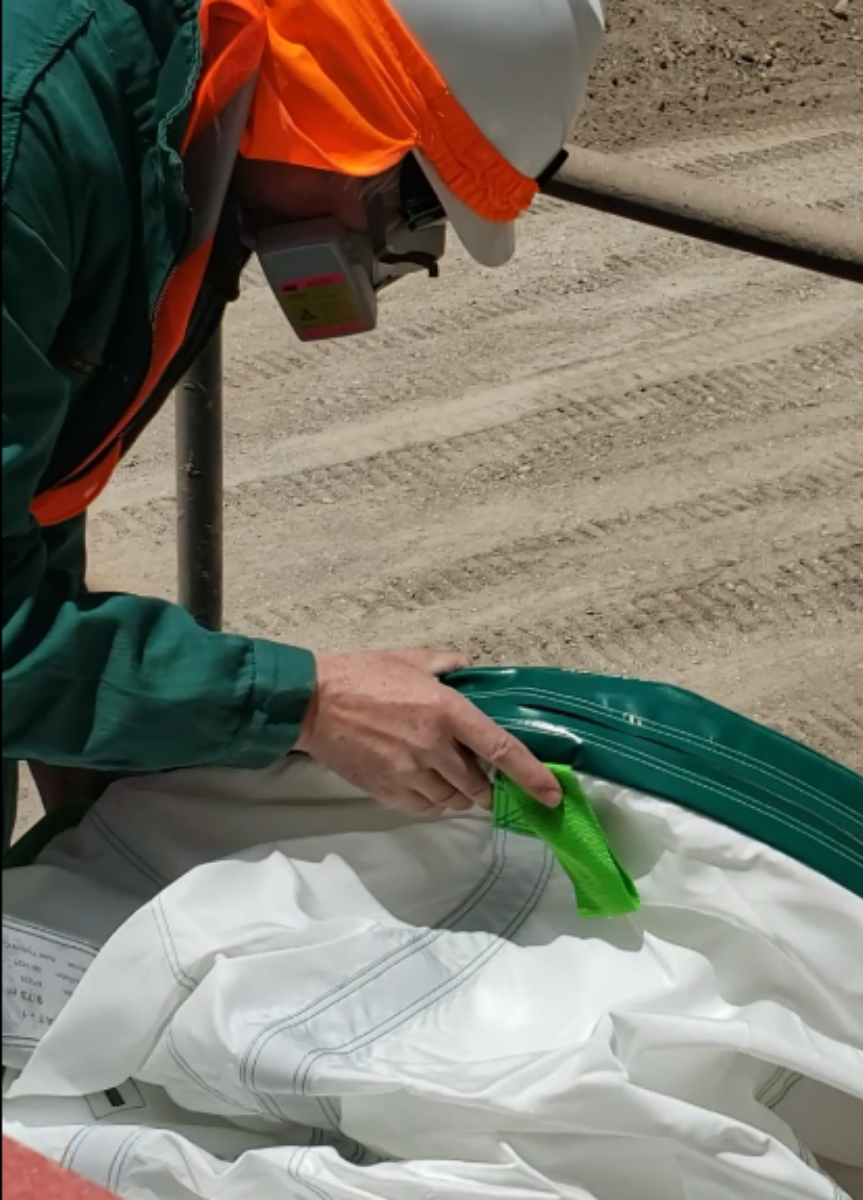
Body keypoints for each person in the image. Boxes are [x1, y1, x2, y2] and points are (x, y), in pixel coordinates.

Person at [1, 0, 607, 848]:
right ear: (349, 125)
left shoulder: (192, 125)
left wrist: (107, 740)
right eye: (418, 210)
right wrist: (307, 702)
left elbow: (36, 491)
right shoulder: (28, 148)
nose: (391, 247)